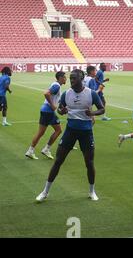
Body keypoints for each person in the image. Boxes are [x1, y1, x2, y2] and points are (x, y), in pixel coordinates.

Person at [35, 69, 105, 202]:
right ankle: (45, 192)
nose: (71, 80)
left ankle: (92, 191)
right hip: (70, 131)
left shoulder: (91, 94)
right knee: (58, 161)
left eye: (74, 78)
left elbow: (102, 109)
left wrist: (93, 114)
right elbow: (61, 110)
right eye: (71, 78)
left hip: (86, 132)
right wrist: (62, 110)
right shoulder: (66, 94)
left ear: (81, 78)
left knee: (89, 163)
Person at [25, 71, 67, 160]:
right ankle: (45, 149)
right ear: (60, 78)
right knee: (58, 130)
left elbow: (53, 97)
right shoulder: (57, 86)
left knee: (42, 132)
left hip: (45, 110)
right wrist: (52, 105)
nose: (65, 79)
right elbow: (46, 93)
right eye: (64, 77)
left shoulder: (55, 85)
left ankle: (31, 150)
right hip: (48, 111)